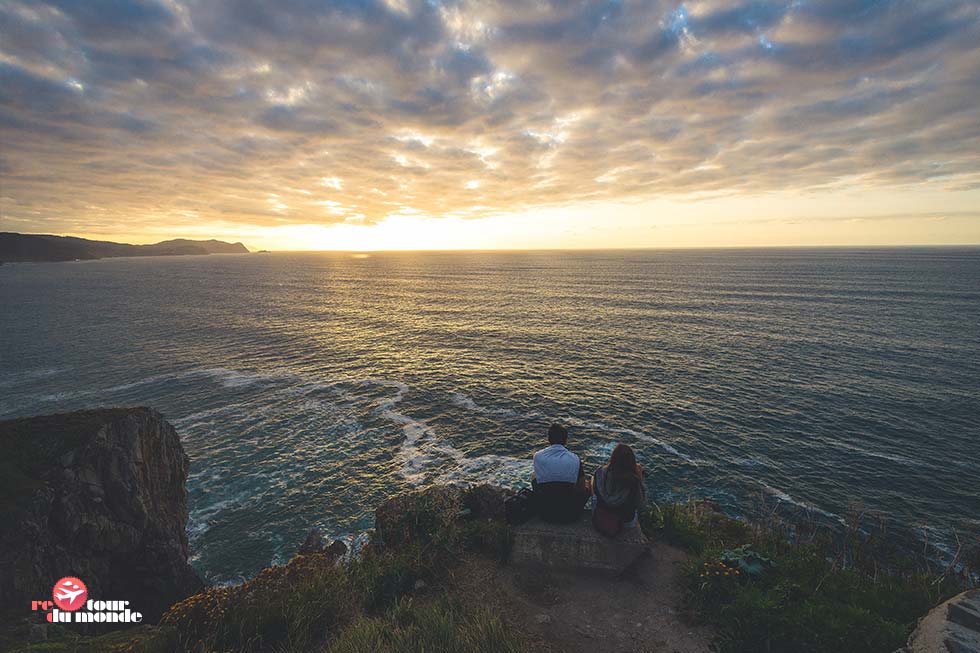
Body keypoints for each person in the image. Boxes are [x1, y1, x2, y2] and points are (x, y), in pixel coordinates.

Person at [532, 423, 591, 523]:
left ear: (549, 439)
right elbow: (581, 488)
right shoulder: (574, 459)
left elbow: (537, 483)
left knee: (534, 476)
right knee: (588, 484)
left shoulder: (537, 456)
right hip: (571, 516)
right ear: (565, 440)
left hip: (545, 514)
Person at [592, 443, 645, 534]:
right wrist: (640, 479)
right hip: (625, 522)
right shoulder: (633, 481)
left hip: (601, 516)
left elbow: (596, 492)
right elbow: (640, 504)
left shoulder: (600, 472)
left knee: (592, 479)